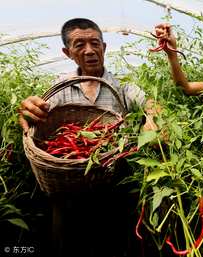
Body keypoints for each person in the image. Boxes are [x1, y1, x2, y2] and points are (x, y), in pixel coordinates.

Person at [18, 18, 159, 257]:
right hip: (66, 189)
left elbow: (152, 105)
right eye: (79, 45)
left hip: (112, 188)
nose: (90, 50)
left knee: (114, 245)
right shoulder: (61, 87)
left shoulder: (124, 86)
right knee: (66, 245)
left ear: (104, 47)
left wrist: (153, 120)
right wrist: (27, 113)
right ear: (67, 52)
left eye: (95, 43)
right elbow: (33, 118)